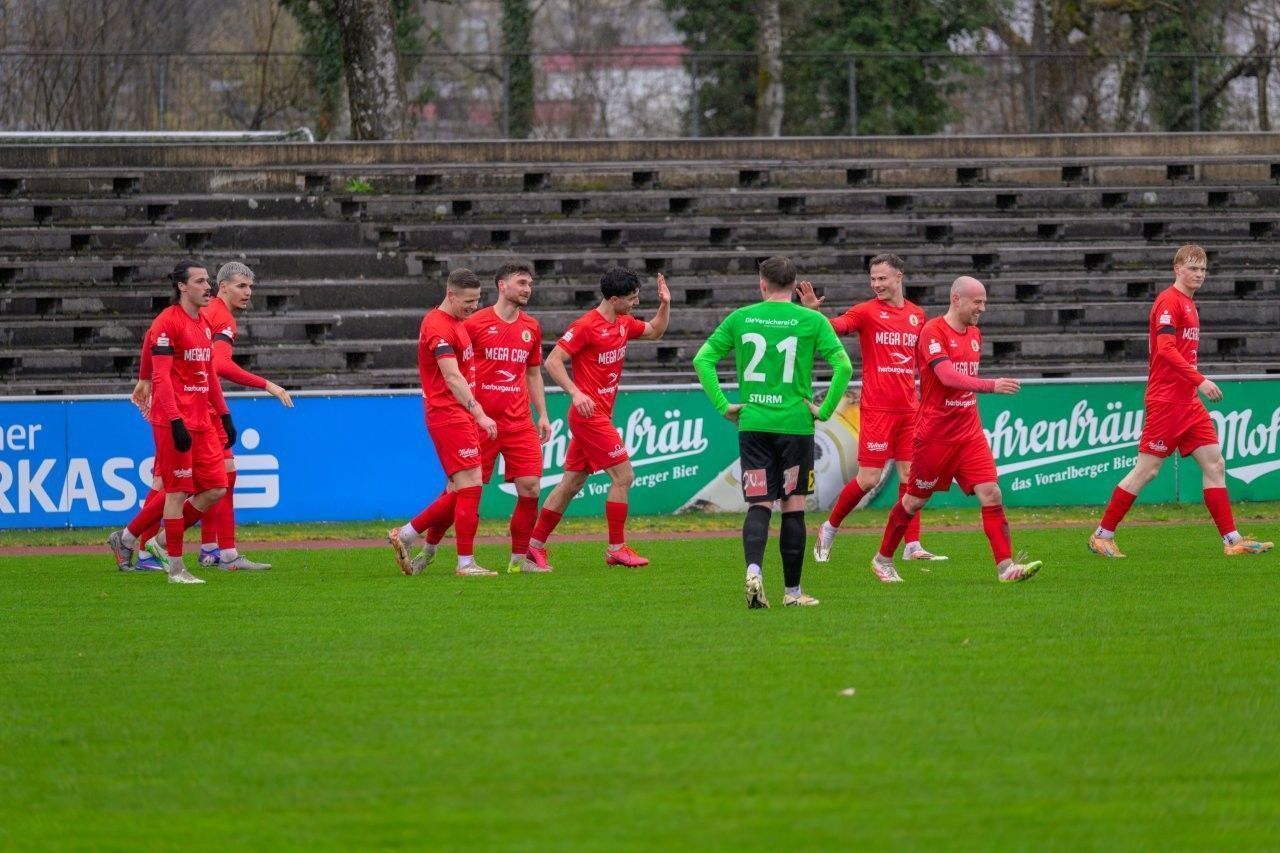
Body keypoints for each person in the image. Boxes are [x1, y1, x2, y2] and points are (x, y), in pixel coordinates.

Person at [1089, 245, 1272, 558]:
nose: (1199, 275)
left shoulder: (1188, 303)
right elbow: (1165, 349)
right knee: (1147, 470)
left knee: (1215, 463)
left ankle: (1232, 541)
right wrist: (1200, 380)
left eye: (1202, 270)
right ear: (1177, 269)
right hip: (1167, 400)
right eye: (1192, 269)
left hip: (1187, 402)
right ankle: (1102, 535)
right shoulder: (1169, 301)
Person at [694, 256, 853, 608]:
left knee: (759, 502)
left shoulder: (741, 318)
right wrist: (824, 410)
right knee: (792, 504)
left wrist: (724, 405)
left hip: (753, 424)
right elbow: (843, 365)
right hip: (794, 425)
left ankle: (754, 569)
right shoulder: (812, 320)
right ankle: (793, 593)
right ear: (795, 285)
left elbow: (702, 360)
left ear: (762, 284)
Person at [871, 276, 1042, 584]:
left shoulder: (975, 334)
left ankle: (1006, 568)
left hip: (969, 434)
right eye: (978, 302)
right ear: (956, 299)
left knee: (991, 493)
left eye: (984, 302)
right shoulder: (932, 331)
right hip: (935, 435)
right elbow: (947, 376)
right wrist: (990, 385)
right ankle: (882, 559)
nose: (983, 308)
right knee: (914, 501)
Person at [129, 261, 293, 572]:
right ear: (224, 287)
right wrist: (267, 384)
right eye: (241, 286)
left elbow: (154, 335)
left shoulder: (203, 314)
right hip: (186, 408)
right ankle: (152, 544)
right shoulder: (218, 318)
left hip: (196, 404)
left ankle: (207, 548)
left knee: (200, 479)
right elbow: (218, 366)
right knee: (180, 482)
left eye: (250, 287)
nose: (248, 292)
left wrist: (143, 377)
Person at [798, 253, 947, 563]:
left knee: (911, 476)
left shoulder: (918, 315)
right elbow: (836, 327)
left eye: (882, 278)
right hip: (877, 409)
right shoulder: (866, 311)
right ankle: (829, 527)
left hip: (909, 410)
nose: (877, 284)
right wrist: (815, 314)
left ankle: (912, 545)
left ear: (898, 278)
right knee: (868, 479)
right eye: (873, 279)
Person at [410, 261, 553, 575]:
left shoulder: (531, 327)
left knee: (530, 488)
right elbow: (450, 368)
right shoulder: (472, 323)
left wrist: (542, 414)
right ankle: (427, 549)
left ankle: (519, 561)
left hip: (518, 422)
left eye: (530, 284)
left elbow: (533, 373)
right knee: (459, 491)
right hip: (479, 421)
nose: (527, 289)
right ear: (502, 285)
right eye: (521, 283)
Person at [523, 266, 671, 570]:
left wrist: (665, 304)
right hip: (588, 417)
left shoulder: (623, 323)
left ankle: (534, 548)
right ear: (613, 298)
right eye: (631, 298)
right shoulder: (587, 326)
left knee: (571, 483)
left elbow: (656, 330)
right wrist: (576, 393)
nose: (635, 303)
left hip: (599, 415)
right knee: (624, 476)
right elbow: (552, 361)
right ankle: (616, 548)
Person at [107, 261, 233, 584]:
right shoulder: (167, 322)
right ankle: (176, 569)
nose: (209, 287)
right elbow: (161, 377)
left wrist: (224, 414)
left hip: (202, 419)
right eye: (201, 281)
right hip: (174, 418)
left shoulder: (204, 323)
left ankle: (147, 539)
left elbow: (210, 376)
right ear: (181, 286)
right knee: (175, 491)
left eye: (208, 281)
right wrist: (174, 420)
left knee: (216, 486)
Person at [389, 269, 500, 577]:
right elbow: (451, 376)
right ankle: (464, 562)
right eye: (468, 300)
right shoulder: (438, 326)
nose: (473, 306)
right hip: (449, 414)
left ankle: (409, 536)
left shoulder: (456, 322)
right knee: (470, 487)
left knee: (458, 490)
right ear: (451, 295)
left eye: (477, 300)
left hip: (457, 414)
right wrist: (478, 412)